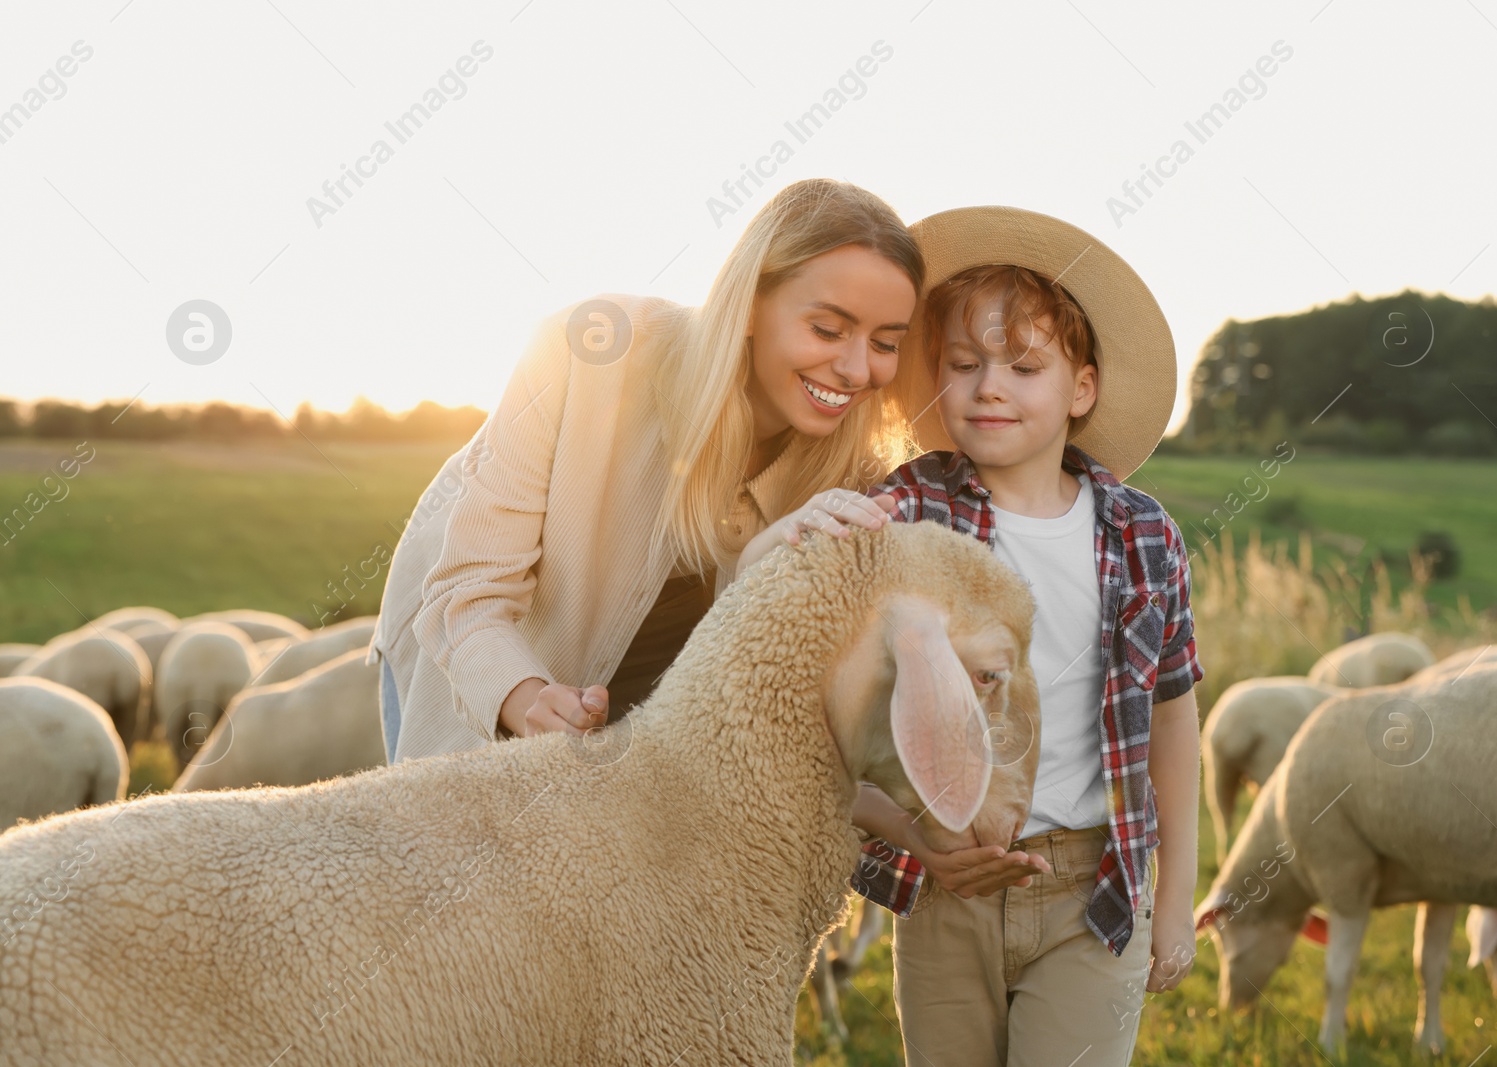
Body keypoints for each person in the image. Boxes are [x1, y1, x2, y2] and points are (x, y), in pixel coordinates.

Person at [366, 178, 1043, 909]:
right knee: (447, 910)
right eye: (826, 328)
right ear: (751, 303)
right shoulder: (589, 355)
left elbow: (795, 716)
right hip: (471, 662)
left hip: (642, 718)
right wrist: (526, 697)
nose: (855, 370)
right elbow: (465, 594)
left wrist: (920, 833)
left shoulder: (856, 477)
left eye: (885, 344)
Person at [735, 206, 1204, 1066]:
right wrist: (787, 537)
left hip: (1094, 886)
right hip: (949, 881)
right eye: (963, 364)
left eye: (1024, 366)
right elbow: (803, 650)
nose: (989, 385)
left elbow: (1173, 719)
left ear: (1083, 388)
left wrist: (1175, 899)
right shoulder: (907, 513)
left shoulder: (1145, 537)